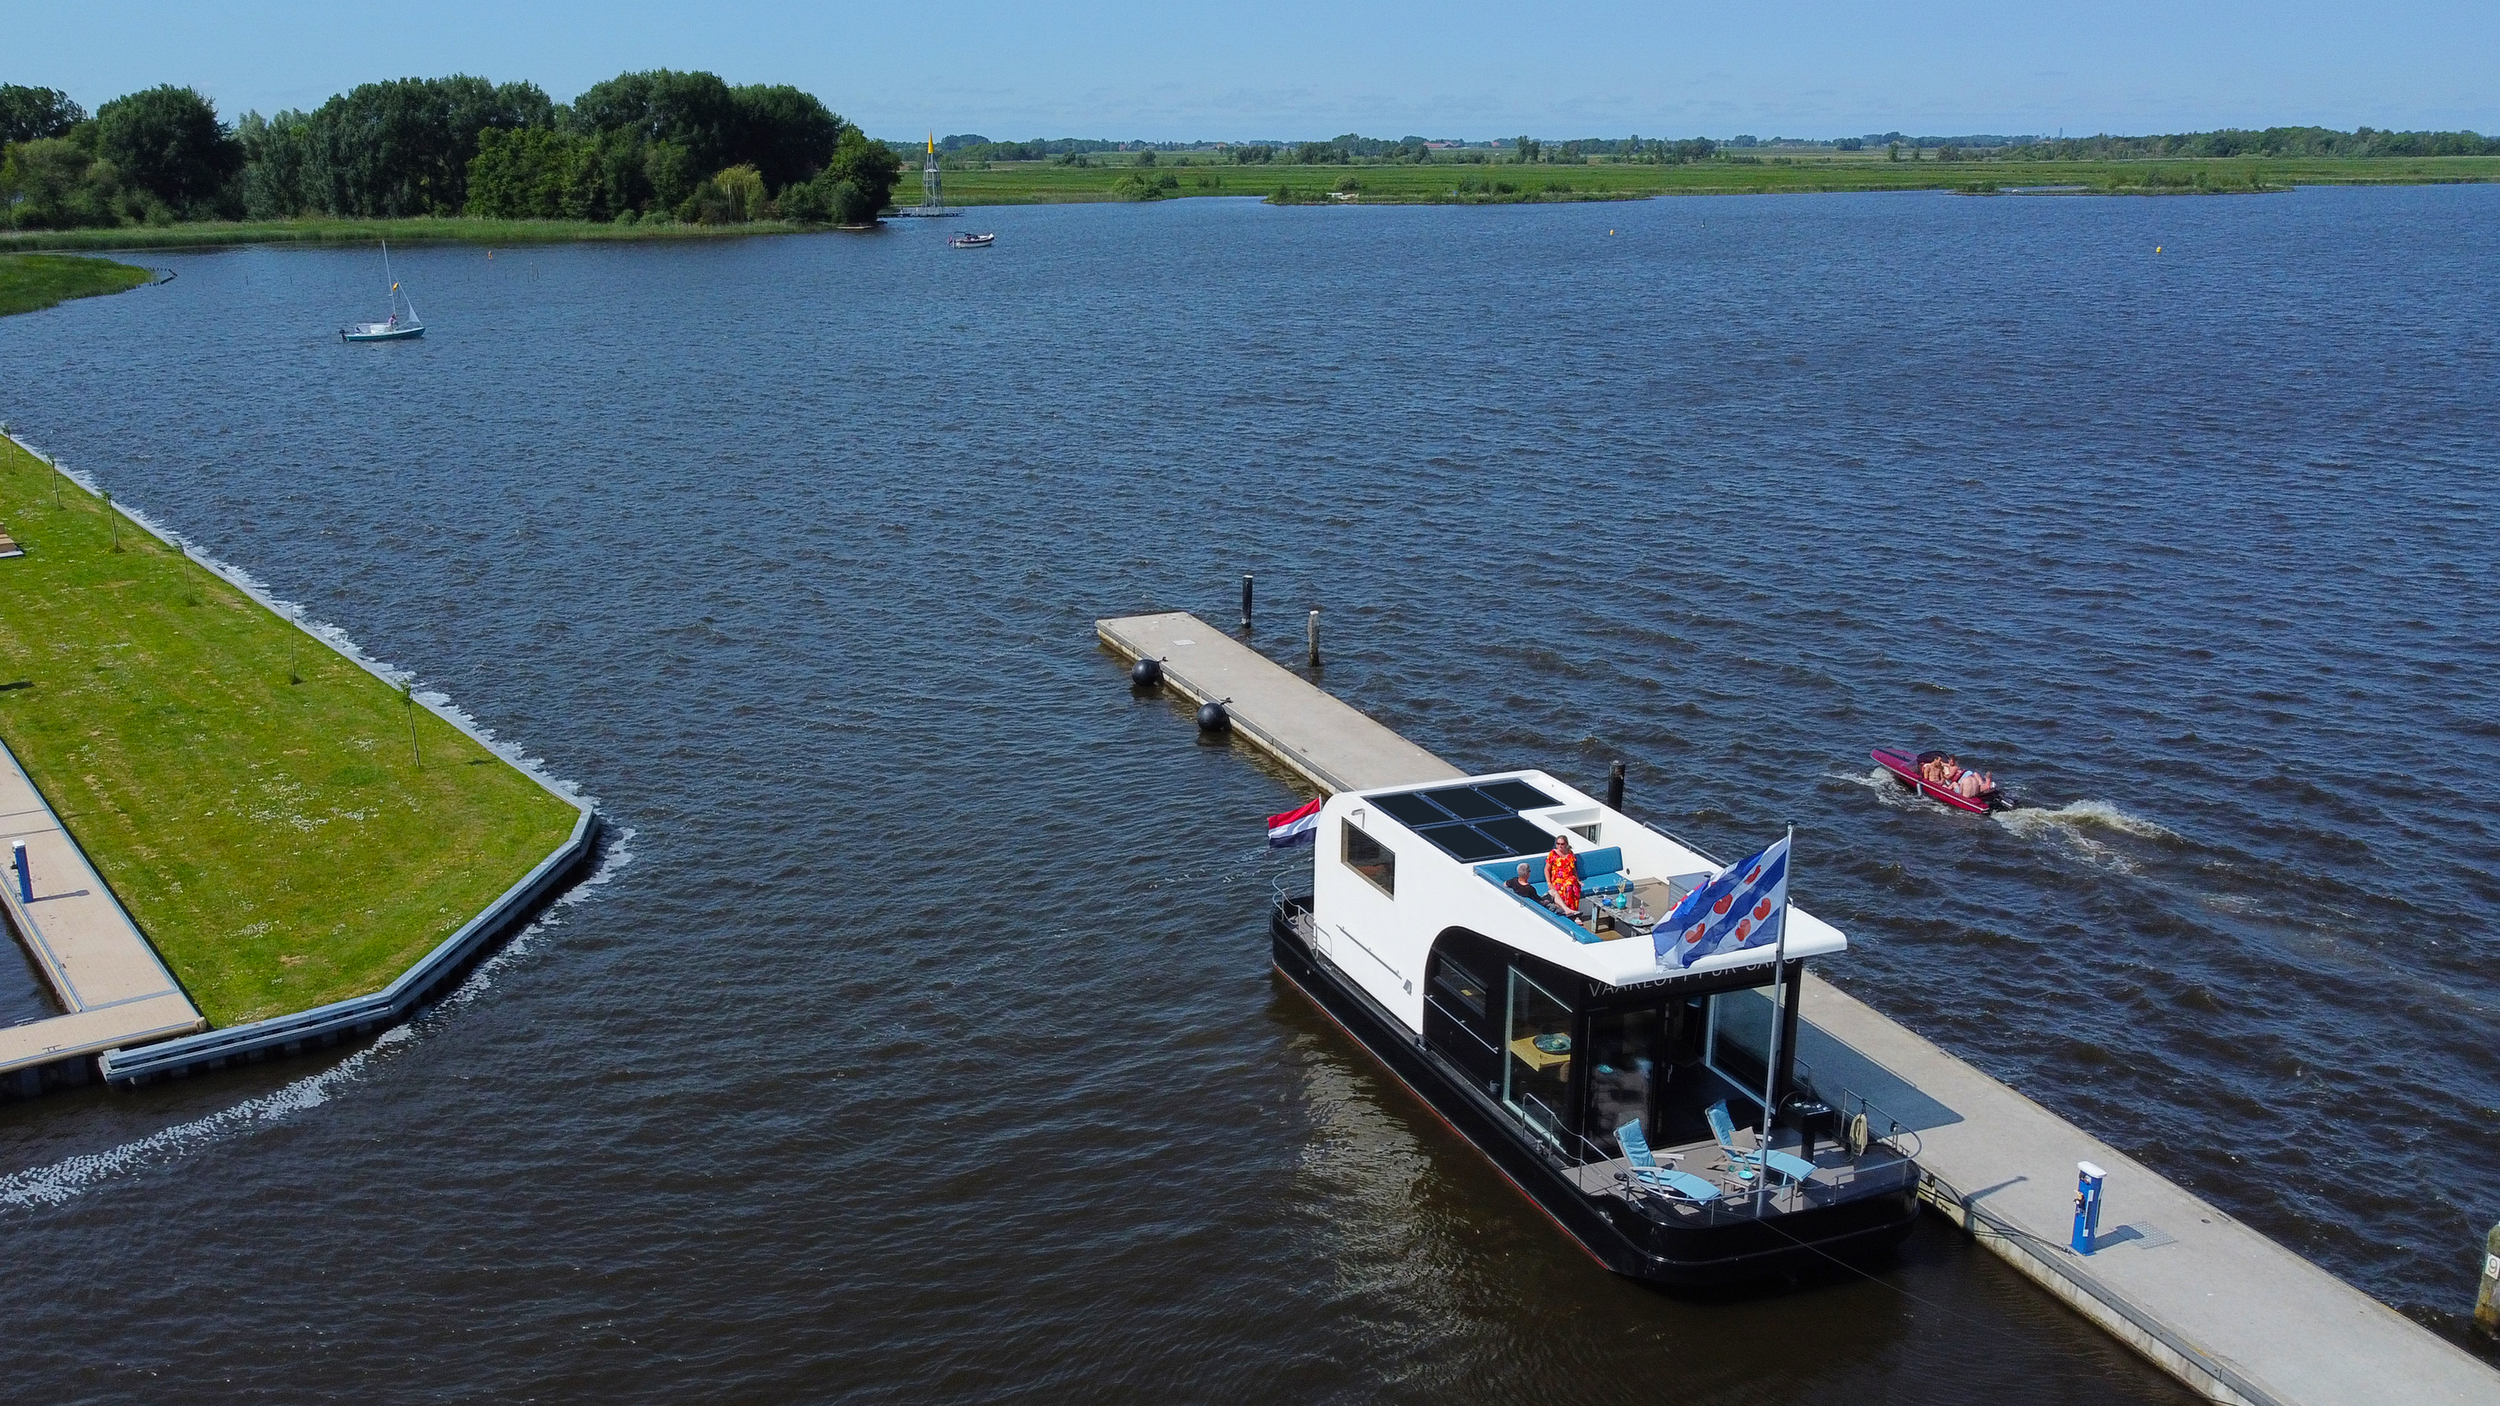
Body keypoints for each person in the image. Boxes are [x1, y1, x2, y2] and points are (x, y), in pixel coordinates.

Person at [1544, 835, 1582, 919]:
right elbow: (1546, 869)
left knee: (1571, 884)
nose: (1560, 846)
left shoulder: (1570, 853)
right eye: (1558, 844)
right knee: (1567, 886)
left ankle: (1573, 911)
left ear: (1566, 844)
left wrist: (1578, 879)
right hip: (1558, 879)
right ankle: (1568, 911)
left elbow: (1573, 869)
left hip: (1569, 878)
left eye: (1562, 844)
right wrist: (1549, 883)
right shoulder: (1553, 854)